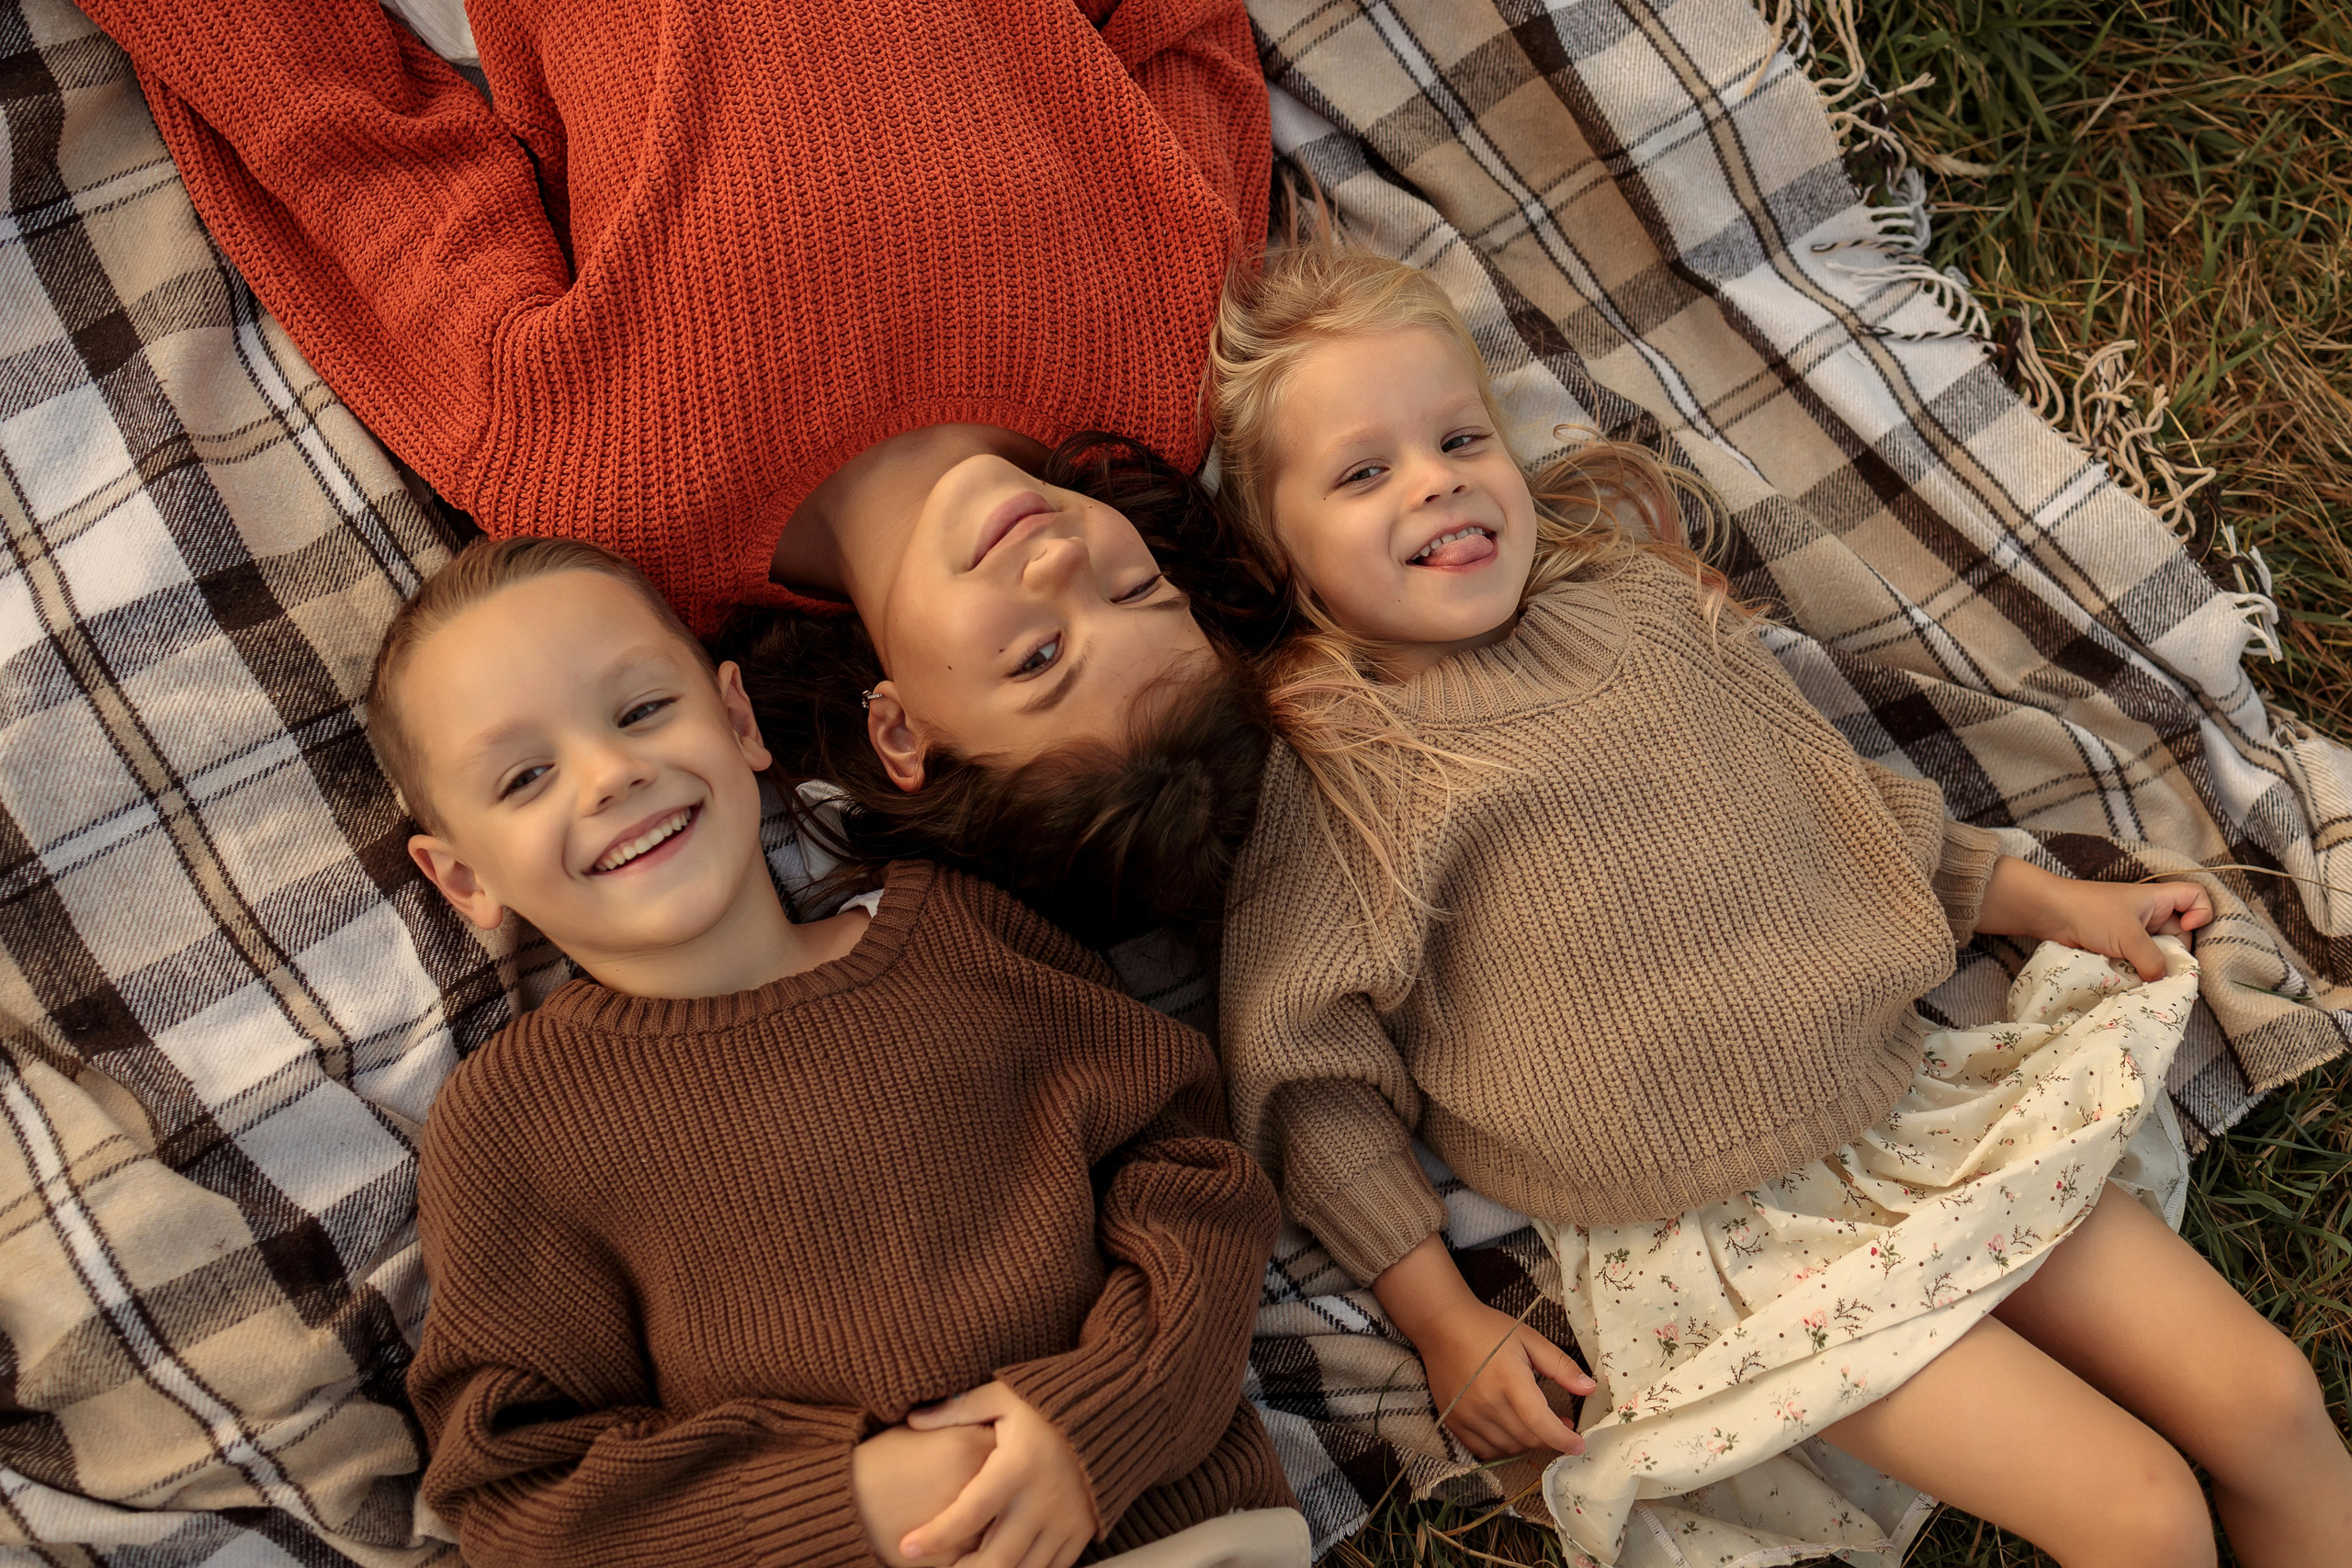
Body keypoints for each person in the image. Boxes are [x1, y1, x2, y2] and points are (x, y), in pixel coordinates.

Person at [1204, 243, 2352, 1565]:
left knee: (2269, 1396)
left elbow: (1844, 815)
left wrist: (2047, 902)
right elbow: (1310, 1081)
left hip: (1914, 1110)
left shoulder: (1643, 615)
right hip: (1727, 1247)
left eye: (1461, 434)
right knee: (2137, 1509)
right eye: (1364, 471)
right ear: (1285, 557)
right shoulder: (1339, 766)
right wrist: (1440, 1314)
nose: (1437, 476)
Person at [370, 536, 1307, 1568]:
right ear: (462, 879)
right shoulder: (514, 1122)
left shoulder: (964, 935)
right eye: (524, 776)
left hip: (1171, 1533)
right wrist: (846, 1501)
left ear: (736, 721)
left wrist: (1099, 1419)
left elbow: (1198, 1188)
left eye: (640, 711)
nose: (608, 775)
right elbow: (525, 1502)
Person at [83, 0, 1266, 765]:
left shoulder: (619, 502)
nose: (1067, 568)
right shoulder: (1166, 366)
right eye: (1141, 595)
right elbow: (1182, 29)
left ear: (902, 731)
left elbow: (363, 157)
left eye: (1036, 659)